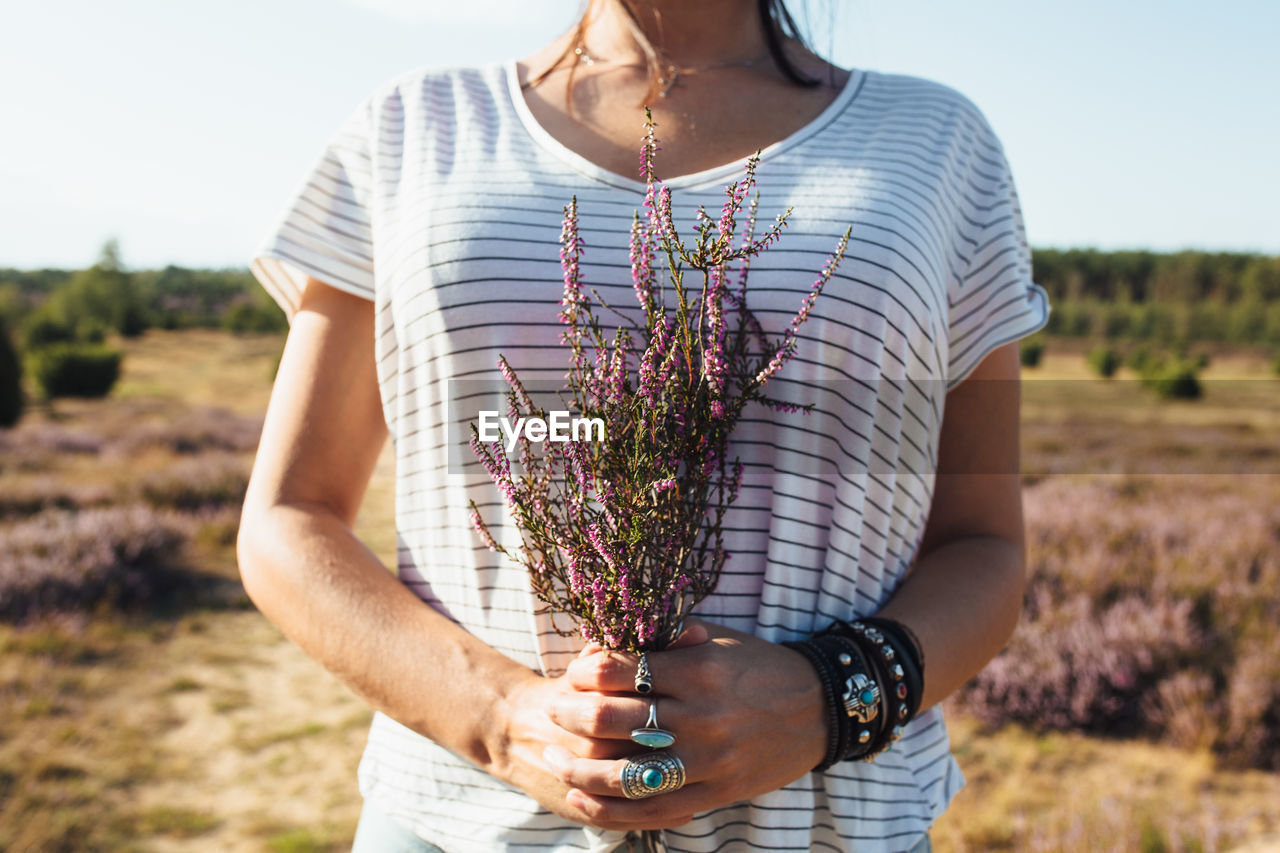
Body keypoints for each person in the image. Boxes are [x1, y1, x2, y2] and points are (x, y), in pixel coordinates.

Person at [238, 1, 1051, 851]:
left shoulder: (935, 142)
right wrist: (505, 719)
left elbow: (983, 546)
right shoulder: (416, 125)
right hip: (458, 822)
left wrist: (824, 698)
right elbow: (288, 518)